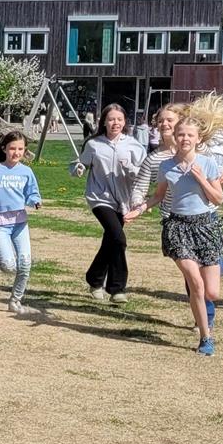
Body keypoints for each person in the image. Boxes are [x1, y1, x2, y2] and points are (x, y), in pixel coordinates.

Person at [126, 113, 223, 356]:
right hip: (178, 227)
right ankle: (205, 337)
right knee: (196, 284)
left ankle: (205, 324)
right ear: (174, 136)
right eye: (180, 134)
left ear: (198, 138)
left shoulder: (208, 163)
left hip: (206, 227)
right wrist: (140, 209)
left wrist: (202, 179)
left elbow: (218, 198)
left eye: (189, 135)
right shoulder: (166, 166)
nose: (184, 138)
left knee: (212, 292)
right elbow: (159, 195)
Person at [70, 103, 146, 303]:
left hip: (123, 200)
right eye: (111, 119)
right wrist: (78, 168)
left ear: (124, 122)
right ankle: (117, 289)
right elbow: (81, 163)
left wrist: (131, 169)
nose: (115, 123)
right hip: (99, 198)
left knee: (111, 240)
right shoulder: (94, 144)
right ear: (103, 121)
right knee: (119, 239)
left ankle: (94, 279)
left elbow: (145, 174)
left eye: (119, 119)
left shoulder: (133, 145)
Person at [0, 131, 41, 314]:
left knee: (25, 263)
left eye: (20, 149)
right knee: (9, 265)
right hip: (0, 224)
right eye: (13, 148)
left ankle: (15, 301)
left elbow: (32, 193)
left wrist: (35, 201)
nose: (16, 152)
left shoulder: (26, 172)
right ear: (4, 148)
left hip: (20, 222)